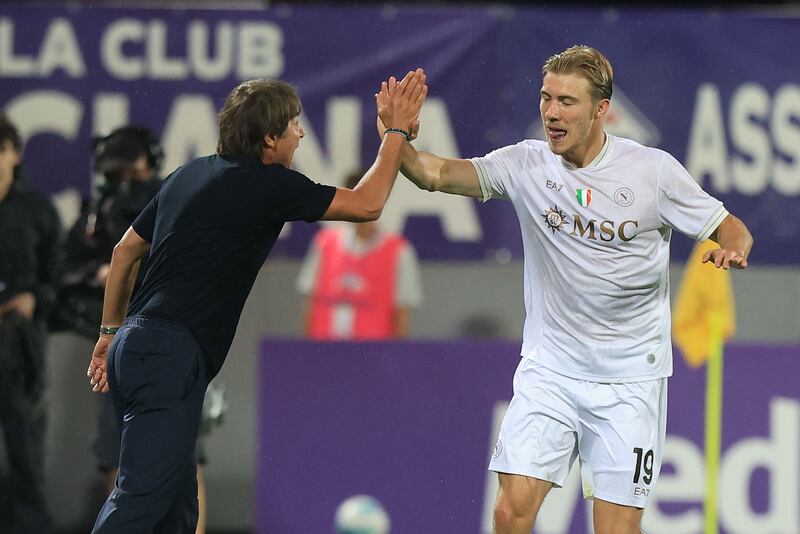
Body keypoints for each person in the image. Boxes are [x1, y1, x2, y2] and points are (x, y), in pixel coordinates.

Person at [385, 46, 752, 533]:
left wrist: (731, 248)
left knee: (616, 528)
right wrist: (394, 136)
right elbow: (433, 174)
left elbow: (731, 227)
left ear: (602, 109)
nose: (552, 112)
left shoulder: (652, 172)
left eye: (567, 102)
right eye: (545, 98)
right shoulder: (525, 163)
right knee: (509, 511)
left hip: (629, 380)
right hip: (550, 369)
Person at [85, 69, 427, 532]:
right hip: (169, 357)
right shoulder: (268, 185)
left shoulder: (188, 174)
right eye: (293, 126)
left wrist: (109, 333)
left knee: (176, 511)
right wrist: (396, 134)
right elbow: (367, 204)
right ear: (269, 140)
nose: (301, 133)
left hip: (139, 346)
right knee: (140, 500)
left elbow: (125, 252)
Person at [52, 126, 214, 532]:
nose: (125, 184)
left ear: (152, 166)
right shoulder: (97, 214)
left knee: (183, 452)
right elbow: (64, 271)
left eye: (134, 173)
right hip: (121, 350)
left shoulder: (178, 201)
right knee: (119, 450)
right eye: (115, 174)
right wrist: (100, 274)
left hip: (174, 340)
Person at [0, 114, 61, 534]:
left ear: (14, 154)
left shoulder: (36, 210)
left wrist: (33, 298)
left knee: (25, 455)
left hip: (20, 347)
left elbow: (58, 278)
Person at [297, 167, 423, 339]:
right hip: (325, 355)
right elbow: (310, 305)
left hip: (373, 358)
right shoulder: (324, 243)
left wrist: (393, 362)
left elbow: (402, 316)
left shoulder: (399, 251)